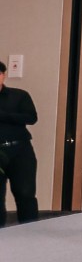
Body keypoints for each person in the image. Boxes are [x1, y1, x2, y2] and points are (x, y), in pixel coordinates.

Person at [0, 60, 39, 226]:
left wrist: (3, 115)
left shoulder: (19, 95)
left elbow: (31, 118)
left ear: (3, 75)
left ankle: (31, 233)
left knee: (25, 194)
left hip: (20, 150)